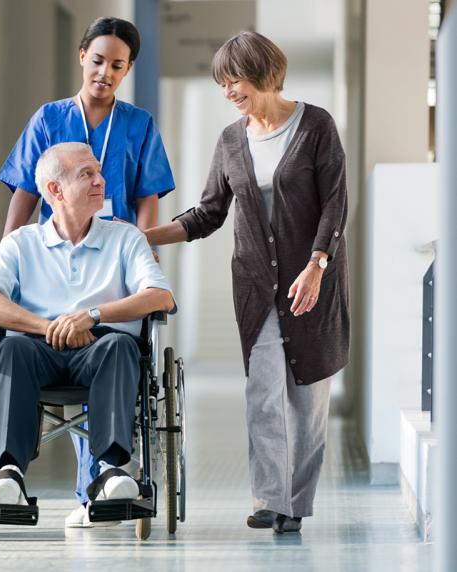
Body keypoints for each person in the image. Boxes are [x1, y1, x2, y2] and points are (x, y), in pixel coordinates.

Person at [144, 31, 349, 534]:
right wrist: (142, 236)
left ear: (262, 72)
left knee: (307, 402)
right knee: (263, 392)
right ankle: (269, 498)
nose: (228, 90)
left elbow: (335, 204)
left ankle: (295, 506)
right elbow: (208, 213)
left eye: (233, 79)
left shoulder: (316, 125)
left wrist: (317, 264)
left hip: (312, 285)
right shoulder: (231, 141)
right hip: (256, 288)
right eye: (222, 83)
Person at [0, 16, 176, 527]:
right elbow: (28, 190)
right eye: (98, 61)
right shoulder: (50, 118)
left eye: (117, 65)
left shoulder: (137, 124)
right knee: (37, 343)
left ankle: (100, 482)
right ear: (82, 57)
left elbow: (147, 197)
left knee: (112, 346)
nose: (105, 72)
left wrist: (141, 247)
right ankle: (48, 481)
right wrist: (10, 244)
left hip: (112, 250)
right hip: (58, 246)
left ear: (127, 70)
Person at [0, 142, 175, 512]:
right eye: (87, 174)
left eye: (98, 171)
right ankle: (8, 473)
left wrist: (92, 316)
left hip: (101, 347)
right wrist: (47, 325)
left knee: (120, 347)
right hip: (35, 348)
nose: (102, 180)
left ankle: (111, 471)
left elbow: (160, 297)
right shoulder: (20, 243)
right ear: (55, 190)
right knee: (10, 349)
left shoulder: (126, 238)